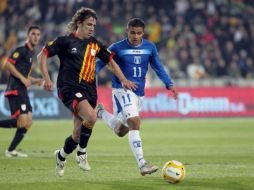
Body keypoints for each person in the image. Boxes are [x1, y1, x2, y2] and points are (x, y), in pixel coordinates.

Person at [37, 7, 137, 177]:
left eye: (93, 25)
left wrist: (123, 80)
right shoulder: (65, 42)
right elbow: (43, 55)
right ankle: (82, 154)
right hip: (69, 88)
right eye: (89, 24)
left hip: (89, 91)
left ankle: (61, 156)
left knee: (76, 135)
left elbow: (111, 62)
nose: (92, 28)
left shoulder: (95, 44)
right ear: (79, 24)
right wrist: (46, 78)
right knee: (91, 117)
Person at [96, 18, 178, 176]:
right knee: (134, 122)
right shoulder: (116, 47)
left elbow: (158, 67)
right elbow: (100, 63)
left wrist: (169, 84)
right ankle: (142, 164)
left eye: (139, 33)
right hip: (121, 89)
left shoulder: (150, 47)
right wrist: (89, 76)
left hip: (139, 93)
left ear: (143, 33)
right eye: (132, 32)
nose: (135, 36)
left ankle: (101, 112)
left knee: (121, 130)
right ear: (127, 31)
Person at [0, 25, 43, 157]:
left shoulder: (31, 53)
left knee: (28, 121)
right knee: (22, 121)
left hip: (22, 89)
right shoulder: (21, 50)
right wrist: (22, 79)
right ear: (28, 35)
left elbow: (23, 74)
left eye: (38, 34)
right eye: (33, 34)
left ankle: (11, 150)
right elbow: (7, 64)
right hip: (15, 89)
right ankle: (10, 150)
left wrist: (34, 80)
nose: (36, 36)